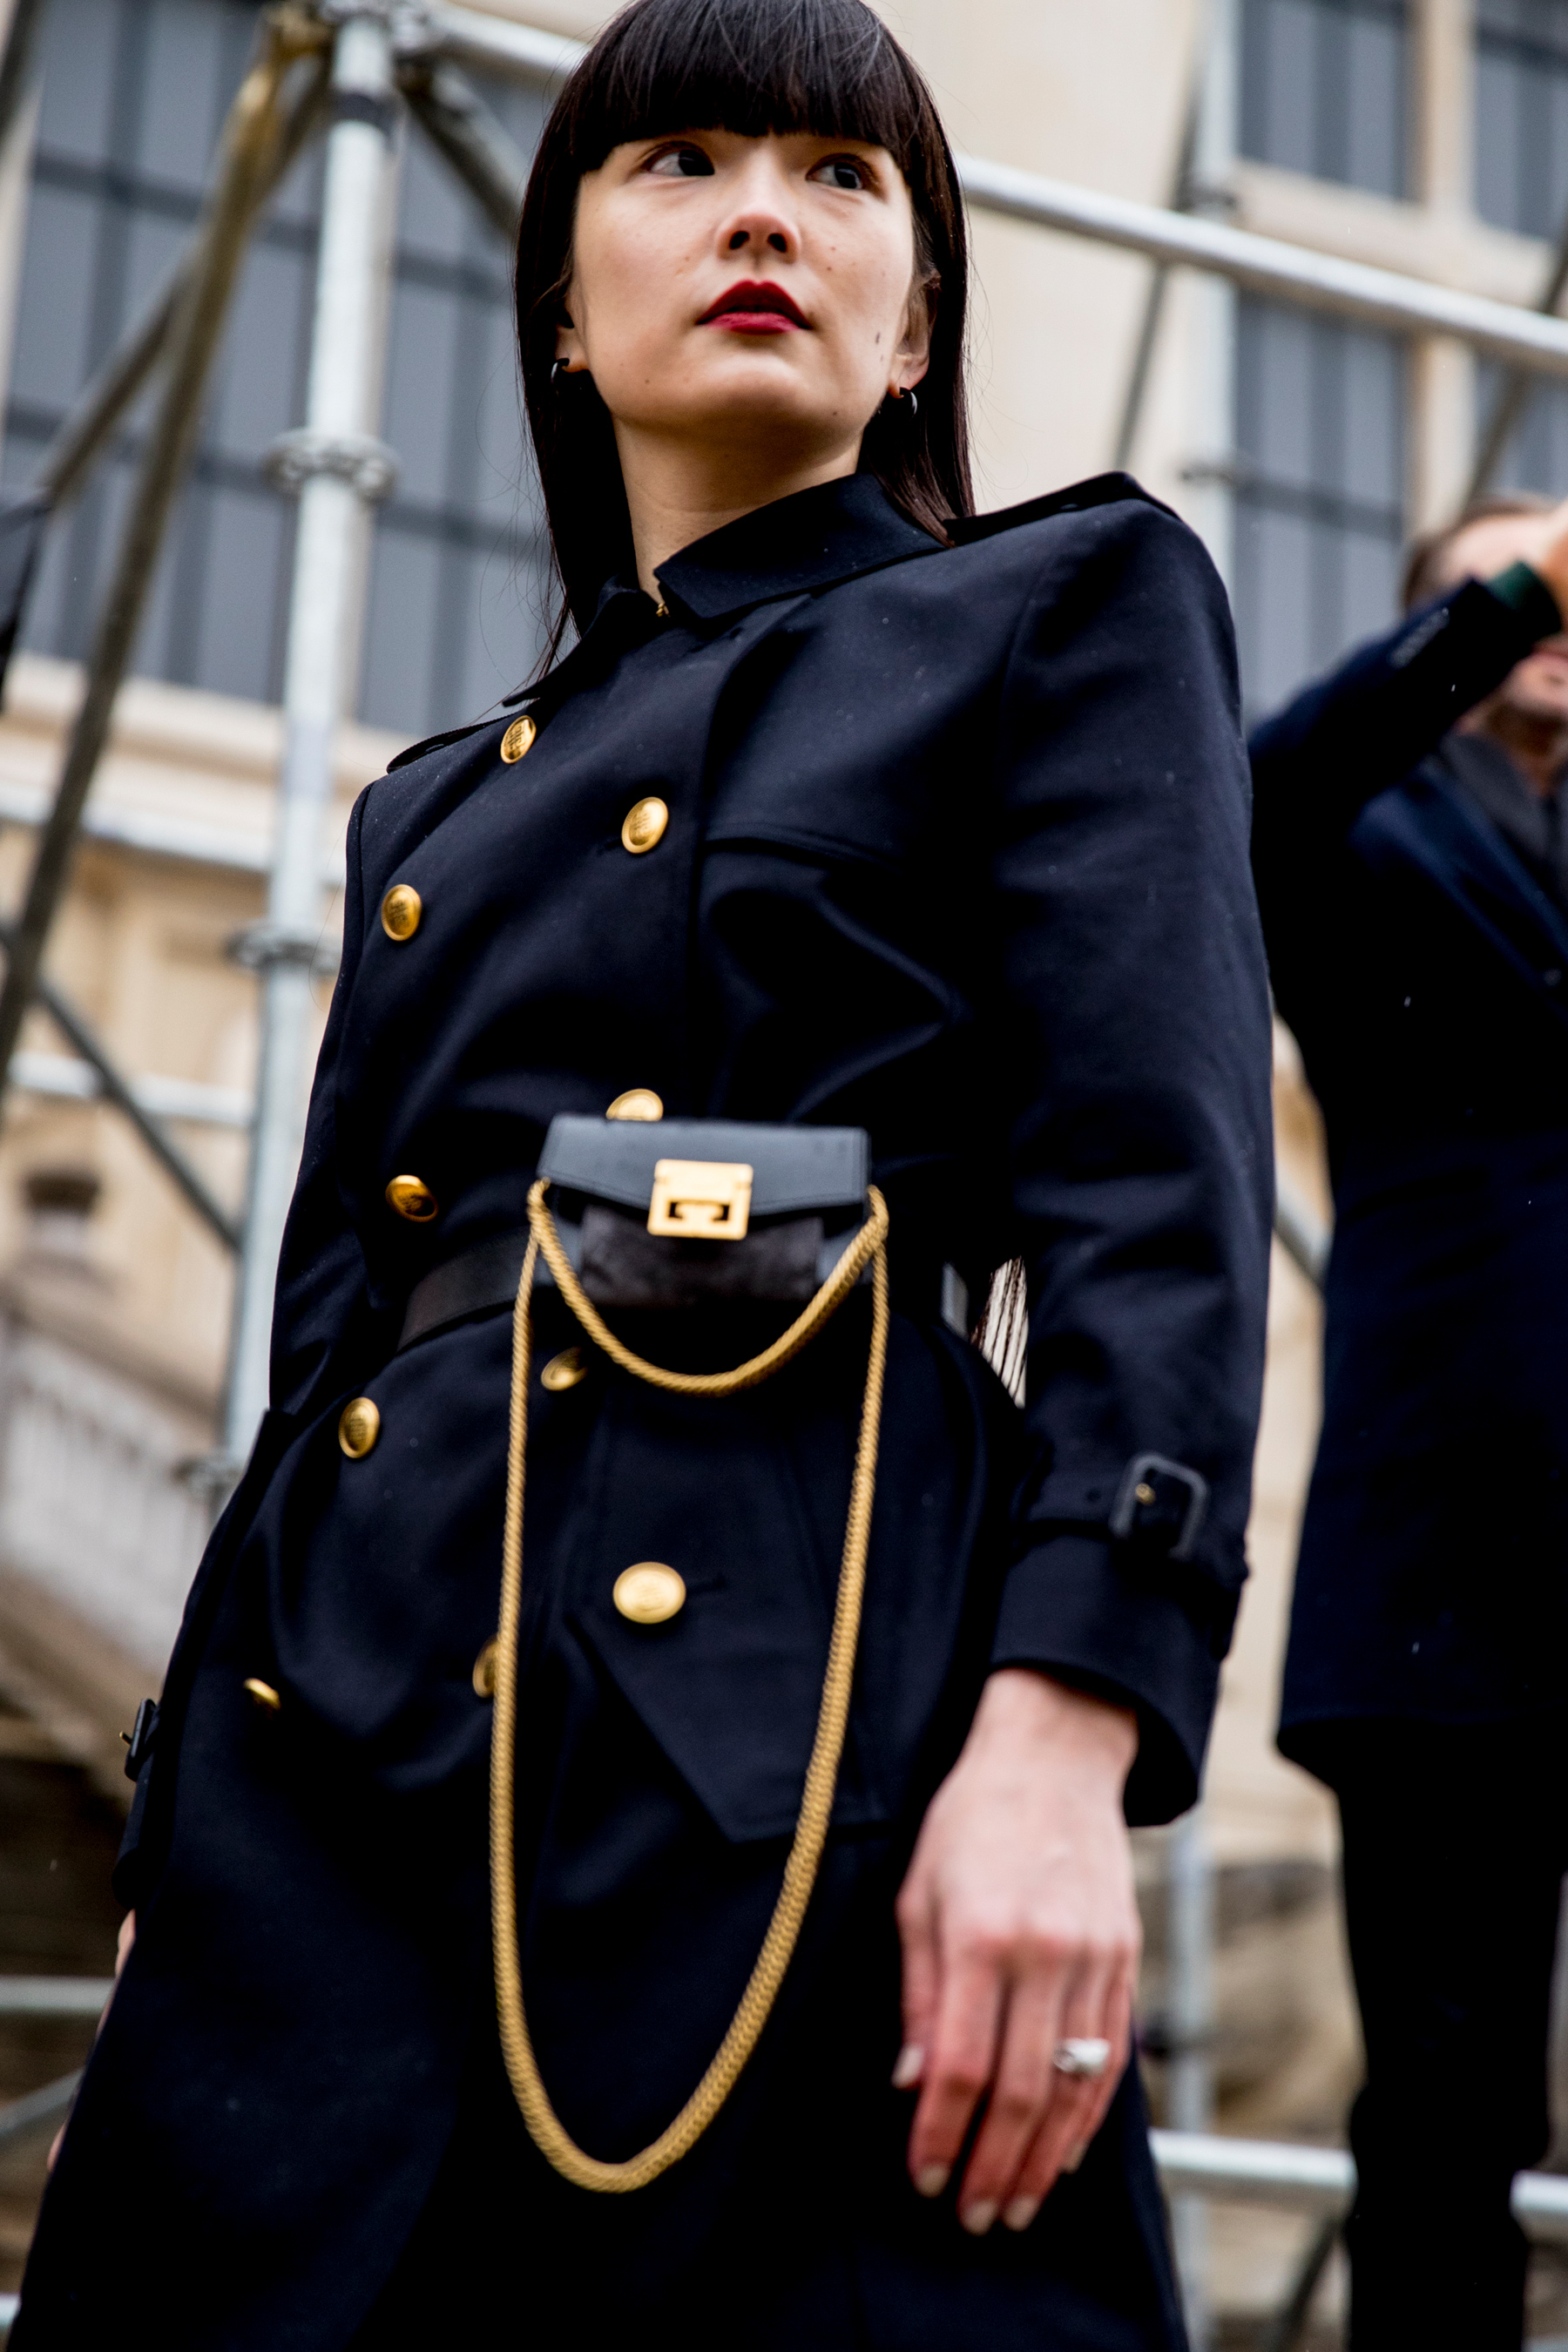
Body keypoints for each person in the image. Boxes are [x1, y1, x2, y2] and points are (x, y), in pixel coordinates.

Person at [16, 2, 1272, 2343]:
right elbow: (314, 1367)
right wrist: (177, 1896)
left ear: (919, 331)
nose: (765, 213)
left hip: (786, 1712)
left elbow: (1154, 1197)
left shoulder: (1060, 613)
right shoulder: (428, 803)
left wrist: (1068, 1727)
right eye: (680, 162)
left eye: (840, 176)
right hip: (338, 1752)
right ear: (567, 319)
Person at [1252, 489, 1568, 2349]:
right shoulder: (1356, 820)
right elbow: (1274, 777)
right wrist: (1522, 582)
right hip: (1447, 1553)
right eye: (1505, 586)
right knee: (1450, 2108)